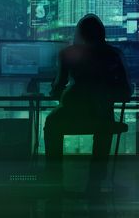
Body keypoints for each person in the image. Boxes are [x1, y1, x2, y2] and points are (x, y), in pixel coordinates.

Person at [44, 14, 131, 185]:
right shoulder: (114, 54)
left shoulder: (67, 53)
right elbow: (126, 91)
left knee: (51, 122)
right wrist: (105, 96)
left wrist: (56, 91)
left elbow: (58, 87)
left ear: (79, 33)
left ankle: (54, 178)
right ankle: (96, 182)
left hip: (71, 113)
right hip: (102, 114)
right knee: (104, 127)